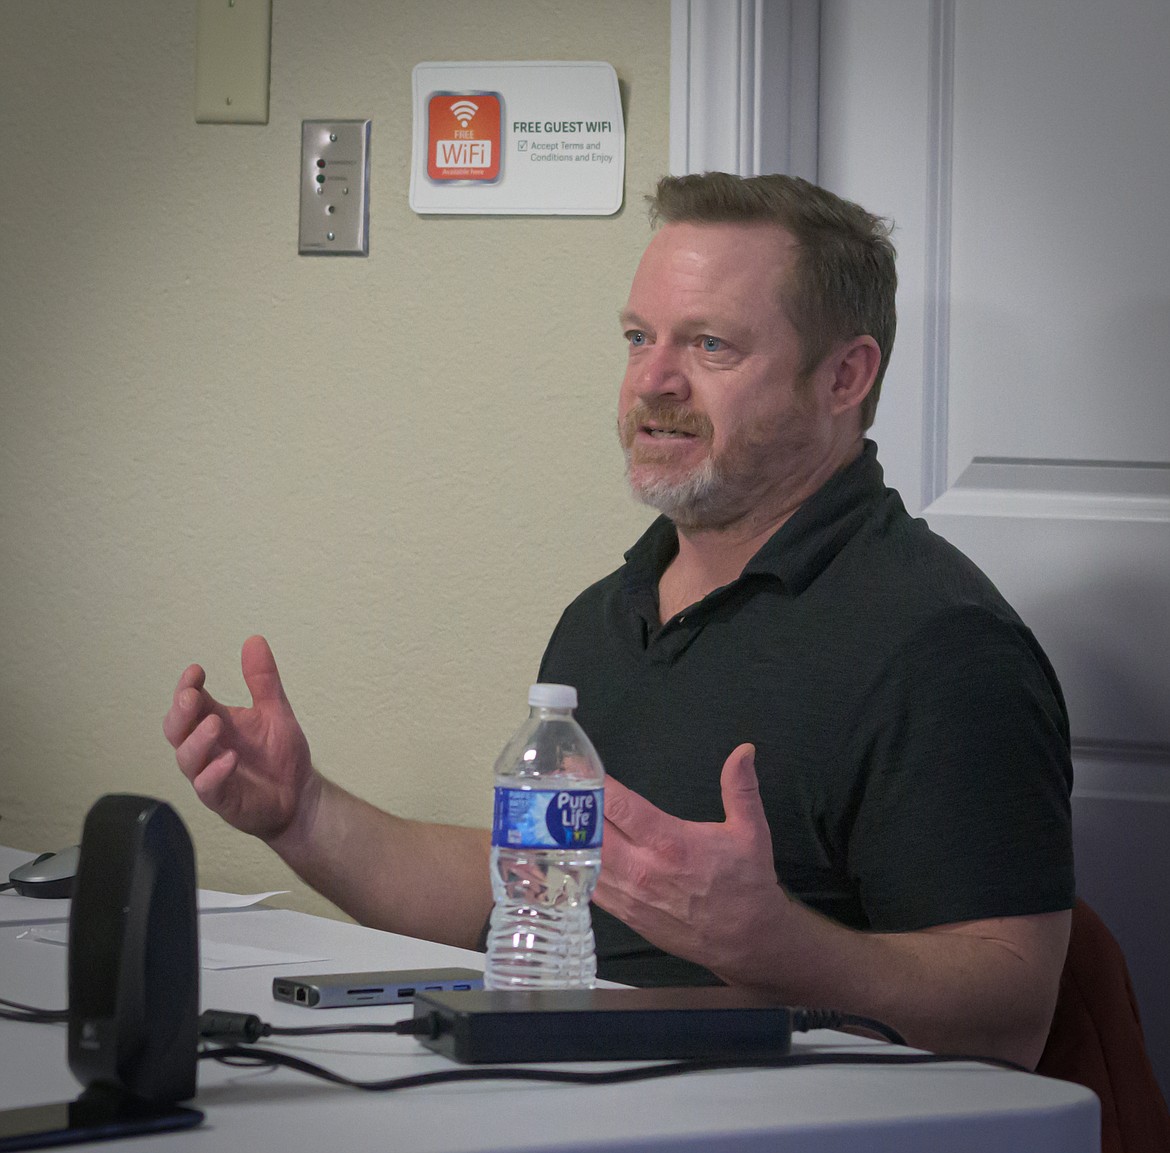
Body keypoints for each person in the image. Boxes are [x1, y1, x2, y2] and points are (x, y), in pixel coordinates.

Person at [165, 172, 1074, 1071]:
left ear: (845, 375)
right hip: (562, 1092)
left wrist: (774, 944)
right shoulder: (607, 615)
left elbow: (1008, 1014)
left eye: (710, 345)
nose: (654, 380)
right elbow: (523, 891)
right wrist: (303, 812)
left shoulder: (942, 644)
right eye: (639, 338)